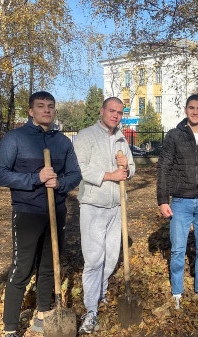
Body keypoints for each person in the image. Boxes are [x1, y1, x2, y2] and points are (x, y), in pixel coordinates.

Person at [0, 91, 82, 337]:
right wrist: (36, 178)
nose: (47, 110)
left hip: (56, 211)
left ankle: (42, 314)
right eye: (41, 106)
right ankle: (10, 327)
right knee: (22, 267)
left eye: (51, 106)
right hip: (27, 212)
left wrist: (60, 184)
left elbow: (75, 173)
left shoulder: (63, 142)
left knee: (49, 265)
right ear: (31, 111)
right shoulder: (15, 138)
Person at [73, 97, 135, 333]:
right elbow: (80, 167)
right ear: (102, 111)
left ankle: (101, 293)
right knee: (94, 258)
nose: (116, 116)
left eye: (120, 112)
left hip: (116, 205)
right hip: (93, 205)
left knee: (111, 257)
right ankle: (90, 310)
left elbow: (131, 168)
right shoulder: (86, 135)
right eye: (112, 111)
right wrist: (110, 175)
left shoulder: (121, 138)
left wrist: (127, 169)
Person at [156, 94, 198, 313]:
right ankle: (177, 293)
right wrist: (162, 200)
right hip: (181, 202)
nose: (195, 112)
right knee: (178, 250)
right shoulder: (174, 136)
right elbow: (164, 168)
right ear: (186, 110)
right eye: (191, 108)